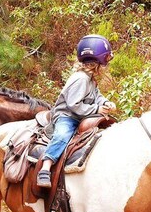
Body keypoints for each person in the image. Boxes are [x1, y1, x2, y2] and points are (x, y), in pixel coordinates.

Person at [36, 34, 115, 188]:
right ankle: (45, 167)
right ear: (97, 63)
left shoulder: (90, 80)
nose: (106, 68)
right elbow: (74, 105)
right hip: (67, 116)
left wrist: (105, 103)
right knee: (62, 135)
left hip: (80, 116)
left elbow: (97, 96)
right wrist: (98, 109)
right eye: (105, 62)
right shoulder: (80, 79)